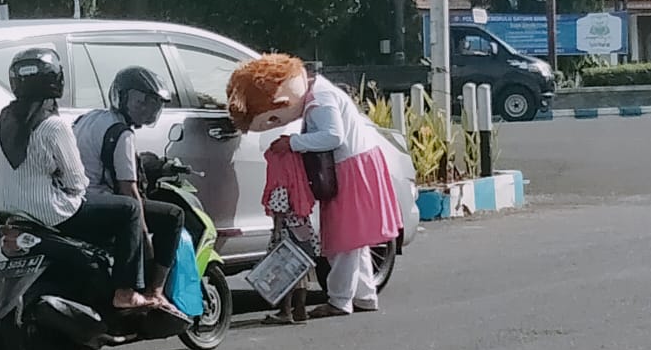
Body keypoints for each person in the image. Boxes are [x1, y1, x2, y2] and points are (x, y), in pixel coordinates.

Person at [226, 54, 404, 319]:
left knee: (342, 241)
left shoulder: (321, 100)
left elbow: (333, 136)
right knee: (354, 239)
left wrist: (294, 143)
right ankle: (364, 296)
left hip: (350, 167)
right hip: (355, 165)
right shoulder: (318, 94)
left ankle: (340, 300)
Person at [0, 48, 155, 310]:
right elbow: (78, 181)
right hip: (52, 213)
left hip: (6, 213)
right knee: (130, 209)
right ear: (56, 81)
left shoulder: (2, 120)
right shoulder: (55, 125)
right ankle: (125, 291)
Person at [73, 66, 185, 314]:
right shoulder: (121, 133)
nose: (146, 108)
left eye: (152, 102)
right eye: (140, 101)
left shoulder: (88, 118)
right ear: (121, 97)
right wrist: (144, 235)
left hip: (75, 200)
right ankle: (154, 291)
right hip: (102, 202)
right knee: (173, 216)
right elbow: (128, 190)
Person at [260, 146, 319, 325]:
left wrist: (276, 231)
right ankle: (300, 309)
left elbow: (279, 209)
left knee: (285, 274)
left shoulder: (281, 184)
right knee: (302, 272)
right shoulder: (299, 182)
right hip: (302, 229)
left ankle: (285, 311)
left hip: (287, 232)